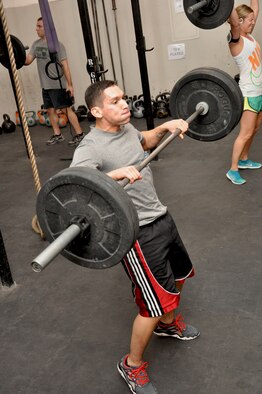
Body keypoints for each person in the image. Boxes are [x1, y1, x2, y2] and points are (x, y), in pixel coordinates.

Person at [70, 80, 200, 394]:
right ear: (97, 110)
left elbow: (145, 141)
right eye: (115, 101)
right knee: (152, 306)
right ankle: (132, 366)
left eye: (124, 98)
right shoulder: (92, 146)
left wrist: (166, 127)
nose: (125, 104)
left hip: (161, 217)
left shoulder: (127, 129)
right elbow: (74, 180)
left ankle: (168, 324)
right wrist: (115, 173)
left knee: (180, 274)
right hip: (136, 233)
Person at [25, 17, 85, 146]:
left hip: (57, 84)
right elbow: (27, 61)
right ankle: (58, 134)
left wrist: (69, 85)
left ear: (46, 29)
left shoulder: (57, 45)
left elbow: (65, 66)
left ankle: (80, 134)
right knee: (50, 110)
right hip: (45, 85)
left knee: (66, 110)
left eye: (39, 26)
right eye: (37, 26)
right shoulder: (36, 44)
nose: (36, 29)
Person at [226, 0, 262, 185]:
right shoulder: (236, 39)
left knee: (254, 129)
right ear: (239, 21)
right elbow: (232, 21)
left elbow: (254, 8)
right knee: (245, 133)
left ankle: (244, 159)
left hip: (259, 92)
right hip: (248, 93)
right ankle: (233, 170)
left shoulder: (250, 37)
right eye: (249, 20)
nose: (253, 22)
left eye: (253, 20)